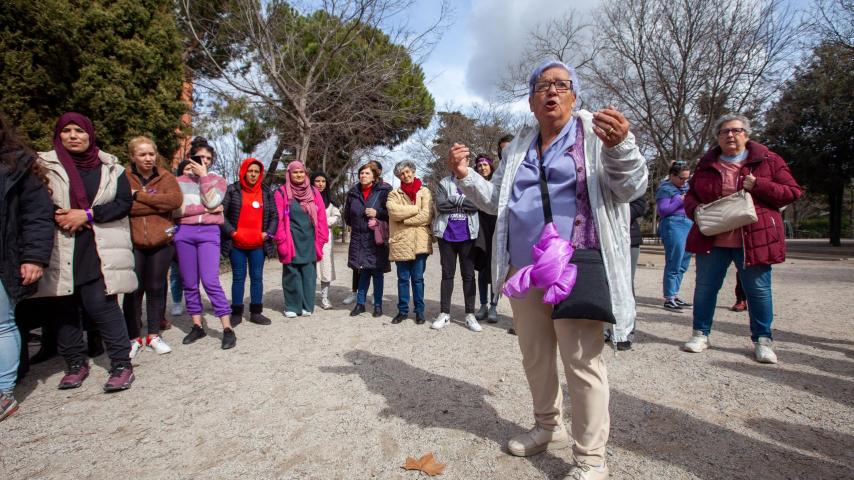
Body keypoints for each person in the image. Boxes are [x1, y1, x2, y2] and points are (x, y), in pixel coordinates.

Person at [450, 59, 647, 479]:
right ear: (531, 99)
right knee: (535, 356)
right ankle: (547, 427)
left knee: (582, 362)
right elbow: (497, 201)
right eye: (543, 86)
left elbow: (632, 187)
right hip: (525, 270)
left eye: (561, 84)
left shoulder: (595, 135)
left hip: (576, 264)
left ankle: (591, 459)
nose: (552, 91)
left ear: (574, 95)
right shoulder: (519, 144)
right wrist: (466, 177)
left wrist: (622, 148)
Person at [682, 113, 801, 364]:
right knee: (705, 289)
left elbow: (792, 192)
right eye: (724, 132)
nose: (730, 135)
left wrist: (759, 185)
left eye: (736, 130)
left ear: (746, 134)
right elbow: (690, 196)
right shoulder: (706, 163)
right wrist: (696, 211)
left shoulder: (768, 160)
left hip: (754, 240)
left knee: (758, 291)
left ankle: (762, 340)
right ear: (717, 137)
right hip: (713, 239)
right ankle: (700, 334)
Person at [35, 112, 139, 392]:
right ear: (58, 135)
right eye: (67, 131)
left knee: (102, 305)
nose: (73, 136)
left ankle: (121, 364)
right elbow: (34, 202)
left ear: (90, 135)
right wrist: (60, 215)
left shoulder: (110, 168)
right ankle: (74, 363)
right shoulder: (43, 165)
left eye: (79, 131)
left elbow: (122, 203)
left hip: (97, 246)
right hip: (60, 245)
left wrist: (88, 215)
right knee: (63, 307)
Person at [0, 113, 54, 420]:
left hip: (5, 254)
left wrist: (34, 255)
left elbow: (36, 213)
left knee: (2, 323)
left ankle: (3, 392)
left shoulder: (17, 165)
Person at [123, 137, 183, 358]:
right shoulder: (124, 177)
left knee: (156, 286)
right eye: (142, 154)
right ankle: (133, 337)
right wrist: (156, 204)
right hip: (133, 241)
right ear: (132, 156)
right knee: (133, 289)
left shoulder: (165, 177)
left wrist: (139, 196)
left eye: (151, 154)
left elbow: (175, 201)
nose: (148, 159)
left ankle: (154, 334)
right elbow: (123, 205)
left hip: (161, 241)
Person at [173, 138, 235, 349]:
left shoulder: (218, 180)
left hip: (209, 233)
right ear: (191, 157)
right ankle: (197, 326)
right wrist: (209, 211)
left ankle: (227, 328)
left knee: (210, 281)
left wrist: (204, 179)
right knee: (189, 283)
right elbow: (175, 211)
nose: (205, 161)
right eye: (201, 157)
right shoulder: (178, 182)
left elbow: (213, 202)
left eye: (208, 158)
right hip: (184, 232)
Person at [221, 158, 277, 326]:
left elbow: (274, 216)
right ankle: (236, 312)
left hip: (258, 245)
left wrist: (267, 234)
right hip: (237, 244)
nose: (253, 174)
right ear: (244, 171)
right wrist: (232, 232)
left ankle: (256, 312)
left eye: (256, 172)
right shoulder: (232, 190)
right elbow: (221, 214)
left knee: (257, 277)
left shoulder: (266, 192)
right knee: (238, 277)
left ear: (260, 174)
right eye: (250, 171)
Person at [273, 161, 328, 318]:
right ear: (289, 174)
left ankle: (306, 306)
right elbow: (278, 220)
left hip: (310, 240)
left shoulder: (314, 192)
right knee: (291, 273)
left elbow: (322, 218)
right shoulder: (281, 193)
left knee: (309, 274)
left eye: (301, 172)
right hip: (291, 239)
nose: (298, 175)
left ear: (305, 174)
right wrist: (281, 241)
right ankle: (292, 306)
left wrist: (321, 240)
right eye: (295, 172)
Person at [433, 166, 481, 332]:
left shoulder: (475, 182)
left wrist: (452, 200)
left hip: (468, 235)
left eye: (462, 161)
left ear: (466, 163)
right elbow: (440, 206)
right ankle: (444, 313)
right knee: (447, 275)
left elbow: (475, 205)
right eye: (454, 162)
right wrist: (462, 202)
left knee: (468, 276)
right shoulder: (443, 183)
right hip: (446, 234)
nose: (457, 165)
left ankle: (470, 315)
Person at [386, 160, 433, 325]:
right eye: (401, 174)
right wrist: (415, 209)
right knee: (403, 279)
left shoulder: (424, 191)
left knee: (418, 279)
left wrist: (404, 221)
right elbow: (393, 212)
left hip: (420, 241)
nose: (405, 176)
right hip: (400, 242)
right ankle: (402, 311)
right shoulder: (394, 194)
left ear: (413, 171)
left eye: (407, 172)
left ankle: (419, 311)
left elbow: (427, 215)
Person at [343, 163, 391, 317]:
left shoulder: (384, 191)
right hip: (359, 238)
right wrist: (359, 225)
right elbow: (347, 217)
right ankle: (360, 304)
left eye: (367, 173)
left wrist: (378, 213)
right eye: (361, 173)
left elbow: (391, 213)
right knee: (362, 271)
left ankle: (378, 305)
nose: (363, 176)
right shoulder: (352, 193)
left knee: (377, 273)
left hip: (375, 238)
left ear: (374, 176)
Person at [656, 161, 693, 311]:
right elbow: (663, 210)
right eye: (681, 178)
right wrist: (679, 200)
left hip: (689, 223)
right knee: (674, 261)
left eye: (687, 178)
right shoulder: (665, 189)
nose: (684, 182)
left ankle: (675, 294)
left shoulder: (687, 188)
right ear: (672, 175)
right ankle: (669, 297)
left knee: (683, 262)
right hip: (673, 224)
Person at [472, 154, 499, 324]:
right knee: (482, 268)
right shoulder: (473, 184)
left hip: (496, 225)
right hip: (480, 227)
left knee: (495, 268)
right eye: (479, 165)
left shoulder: (498, 182)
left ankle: (494, 306)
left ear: (490, 166)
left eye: (485, 164)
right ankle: (483, 305)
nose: (482, 168)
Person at [311, 171, 341, 310]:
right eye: (317, 181)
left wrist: (322, 222)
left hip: (325, 239)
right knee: (310, 267)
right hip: (309, 237)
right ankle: (308, 296)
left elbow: (337, 217)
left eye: (323, 181)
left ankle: (324, 297)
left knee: (325, 267)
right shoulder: (307, 197)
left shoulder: (330, 199)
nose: (320, 184)